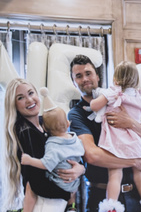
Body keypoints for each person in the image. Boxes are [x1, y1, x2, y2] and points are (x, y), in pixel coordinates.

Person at [68, 55, 141, 212]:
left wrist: (130, 122)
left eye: (88, 73)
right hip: (102, 197)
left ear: (97, 76)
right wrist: (133, 161)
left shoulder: (119, 101)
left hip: (135, 196)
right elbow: (92, 155)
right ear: (74, 82)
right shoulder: (76, 115)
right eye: (78, 76)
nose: (85, 79)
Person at [4, 78, 84, 212]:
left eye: (31, 93)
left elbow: (69, 150)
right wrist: (68, 195)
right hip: (44, 201)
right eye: (21, 98)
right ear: (14, 105)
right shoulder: (26, 131)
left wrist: (80, 169)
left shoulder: (46, 123)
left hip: (57, 198)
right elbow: (36, 182)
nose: (29, 100)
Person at [89, 61, 141, 212]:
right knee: (140, 178)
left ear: (115, 79)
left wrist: (106, 96)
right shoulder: (139, 98)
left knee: (115, 175)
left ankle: (111, 206)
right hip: (135, 141)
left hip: (117, 141)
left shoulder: (113, 93)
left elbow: (94, 105)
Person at [21, 105, 84, 208]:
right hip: (74, 184)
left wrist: (30, 160)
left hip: (60, 183)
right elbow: (81, 155)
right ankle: (71, 206)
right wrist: (81, 168)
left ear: (45, 128)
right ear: (68, 124)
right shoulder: (75, 139)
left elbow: (46, 164)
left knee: (29, 188)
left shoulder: (53, 145)